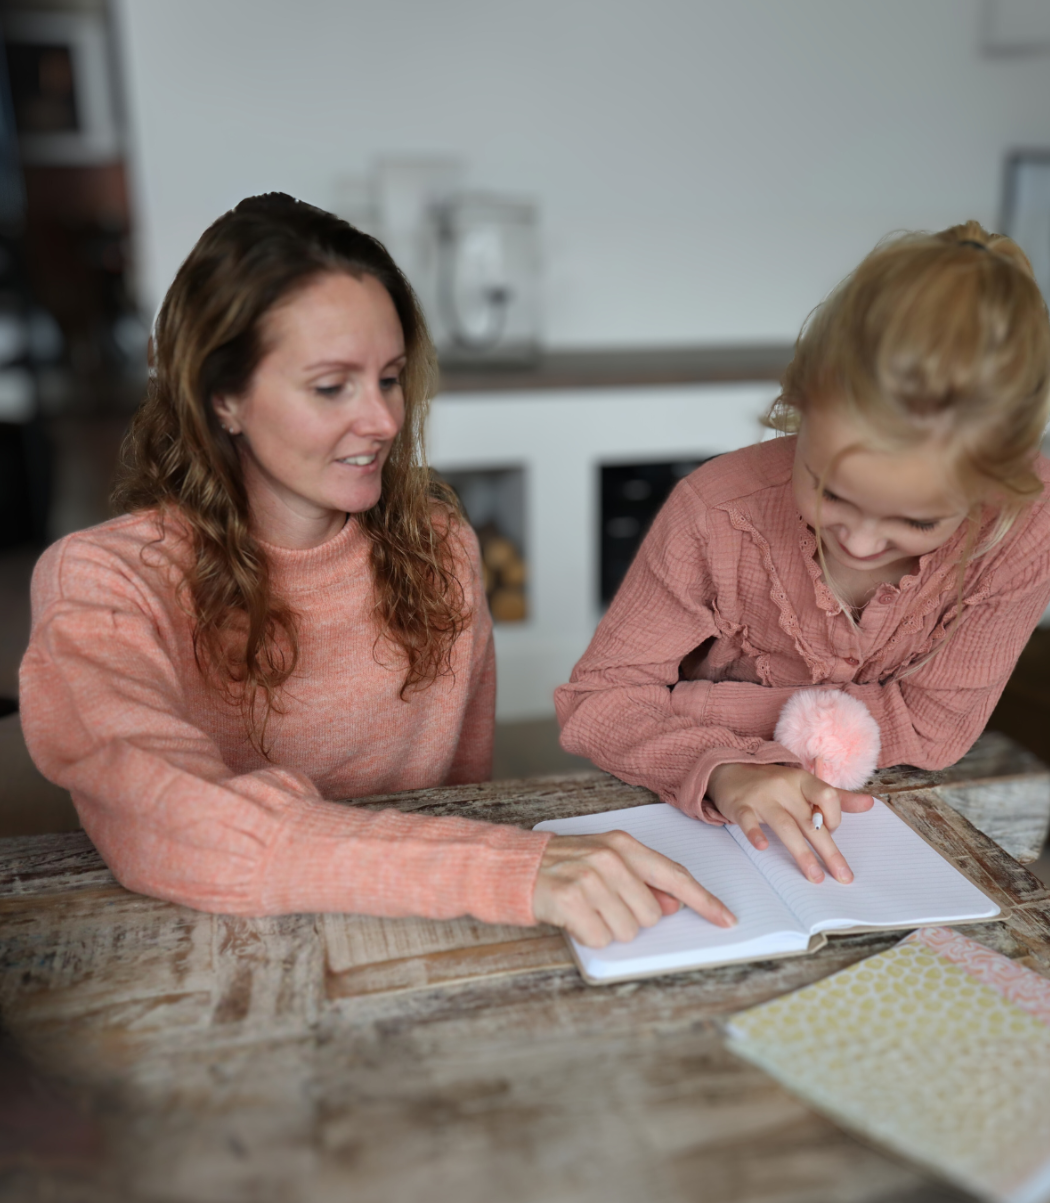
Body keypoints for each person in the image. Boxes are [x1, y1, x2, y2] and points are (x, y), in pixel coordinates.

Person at [19, 194, 734, 949]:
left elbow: (462, 800)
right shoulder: (104, 582)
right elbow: (165, 815)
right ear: (223, 398)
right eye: (332, 386)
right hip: (211, 944)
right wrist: (507, 870)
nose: (385, 421)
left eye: (389, 378)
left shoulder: (440, 547)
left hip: (419, 925)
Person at [555, 221, 1050, 888]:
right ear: (798, 402)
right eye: (830, 492)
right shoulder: (715, 510)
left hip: (882, 830)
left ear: (995, 484)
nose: (859, 545)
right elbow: (599, 701)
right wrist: (722, 767)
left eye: (917, 520)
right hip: (695, 817)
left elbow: (935, 731)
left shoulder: (1036, 515)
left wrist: (688, 705)